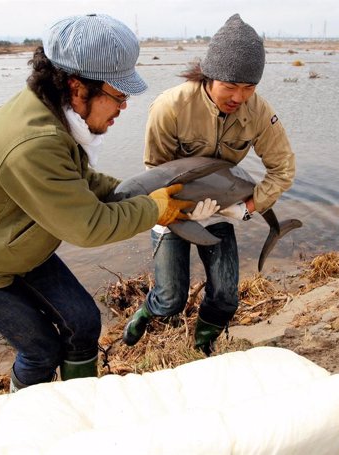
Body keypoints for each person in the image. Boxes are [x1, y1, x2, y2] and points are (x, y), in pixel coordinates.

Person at [0, 13, 193, 391]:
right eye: (118, 96)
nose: (123, 108)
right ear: (78, 87)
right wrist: (155, 208)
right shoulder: (33, 141)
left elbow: (79, 182)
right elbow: (88, 226)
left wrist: (136, 191)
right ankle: (30, 426)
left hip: (16, 244)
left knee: (83, 323)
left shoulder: (52, 114)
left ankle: (80, 403)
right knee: (41, 351)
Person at [123, 14, 296, 355]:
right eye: (230, 86)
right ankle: (148, 312)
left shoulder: (259, 112)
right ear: (208, 74)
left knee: (226, 295)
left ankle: (203, 344)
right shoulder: (170, 107)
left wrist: (246, 208)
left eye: (249, 87)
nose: (239, 97)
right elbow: (155, 174)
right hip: (171, 206)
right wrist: (173, 212)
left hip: (221, 207)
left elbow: (283, 169)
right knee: (171, 298)